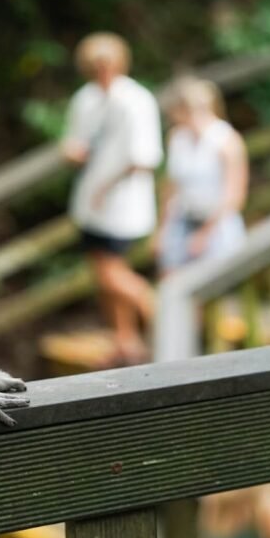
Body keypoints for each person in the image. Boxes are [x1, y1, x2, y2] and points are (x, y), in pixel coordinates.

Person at [61, 32, 163, 365]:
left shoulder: (136, 100)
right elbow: (74, 142)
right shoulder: (85, 99)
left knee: (111, 272)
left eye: (106, 64)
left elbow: (144, 158)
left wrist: (107, 187)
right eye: (94, 65)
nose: (100, 70)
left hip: (123, 204)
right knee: (103, 273)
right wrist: (75, 154)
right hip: (91, 202)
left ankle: (160, 308)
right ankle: (126, 339)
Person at [154, 76, 248, 276]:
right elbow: (171, 186)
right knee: (170, 278)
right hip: (182, 220)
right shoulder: (177, 137)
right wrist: (162, 230)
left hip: (217, 226)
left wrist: (205, 234)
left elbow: (235, 195)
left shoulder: (227, 141)